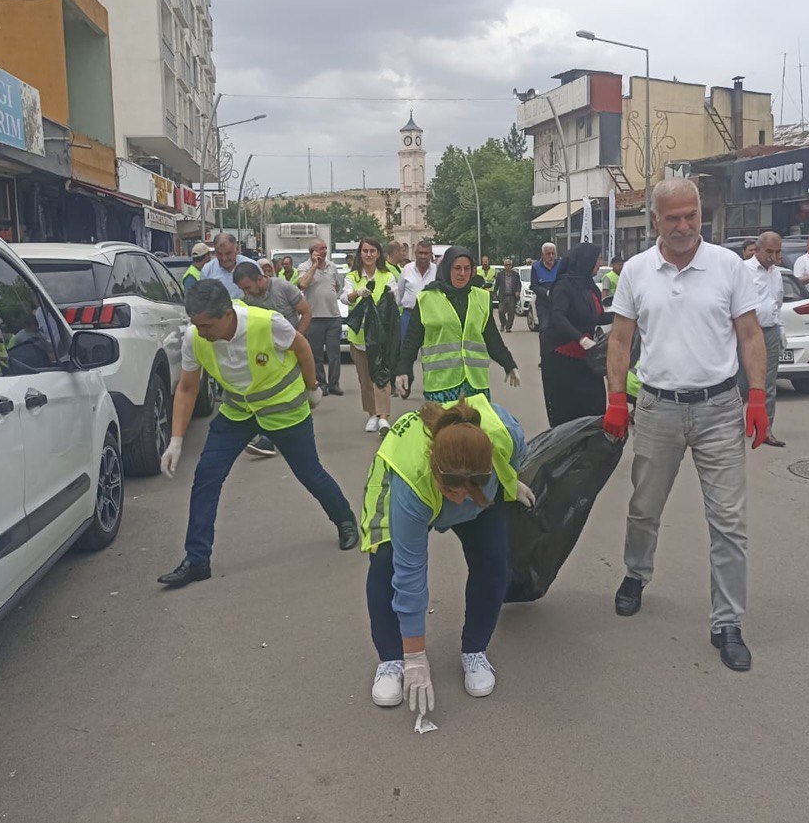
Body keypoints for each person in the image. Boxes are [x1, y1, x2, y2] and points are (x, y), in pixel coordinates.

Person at [604, 177, 769, 672]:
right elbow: (619, 340)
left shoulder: (729, 267)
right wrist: (616, 399)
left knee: (729, 522)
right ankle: (636, 572)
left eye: (690, 216)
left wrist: (757, 395)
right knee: (644, 506)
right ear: (655, 219)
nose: (683, 226)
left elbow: (750, 334)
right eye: (672, 218)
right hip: (657, 407)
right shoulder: (637, 271)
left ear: (702, 213)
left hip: (719, 408)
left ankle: (727, 622)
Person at [156, 282, 358, 588]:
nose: (202, 332)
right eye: (197, 325)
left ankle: (344, 520)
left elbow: (301, 346)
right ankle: (197, 560)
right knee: (206, 478)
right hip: (238, 413)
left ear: (227, 315)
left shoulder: (266, 323)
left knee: (310, 473)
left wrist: (312, 386)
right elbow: (187, 388)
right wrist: (176, 441)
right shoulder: (195, 336)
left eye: (207, 326)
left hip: (284, 410)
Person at [360, 395, 532, 712]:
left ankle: (475, 650)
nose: (458, 501)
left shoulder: (505, 431)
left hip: (476, 487)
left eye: (469, 489)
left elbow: (516, 458)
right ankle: (392, 660)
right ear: (435, 470)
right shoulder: (413, 477)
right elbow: (409, 574)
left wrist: (512, 481)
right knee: (386, 564)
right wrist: (415, 656)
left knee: (493, 561)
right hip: (407, 485)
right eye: (451, 491)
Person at [396, 246, 519, 403]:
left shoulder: (481, 298)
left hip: (475, 385)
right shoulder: (426, 299)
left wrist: (509, 364)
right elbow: (411, 341)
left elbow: (492, 339)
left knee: (475, 428)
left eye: (467, 269)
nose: (462, 273)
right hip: (441, 386)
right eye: (457, 268)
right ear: (447, 269)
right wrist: (403, 369)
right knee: (444, 428)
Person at [235, 259, 314, 458]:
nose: (246, 293)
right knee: (267, 394)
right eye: (242, 289)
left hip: (291, 350)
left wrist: (298, 339)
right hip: (266, 355)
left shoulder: (283, 288)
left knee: (293, 396)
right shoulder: (248, 300)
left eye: (247, 287)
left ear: (261, 278)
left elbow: (305, 313)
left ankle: (285, 437)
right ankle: (268, 438)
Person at [542, 242, 607, 426]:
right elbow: (558, 316)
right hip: (562, 358)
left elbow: (598, 316)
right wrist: (581, 338)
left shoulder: (589, 287)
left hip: (586, 358)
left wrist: (625, 316)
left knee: (595, 406)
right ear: (587, 261)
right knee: (568, 413)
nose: (600, 264)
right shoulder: (564, 285)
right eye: (598, 259)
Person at [345, 237, 398, 435]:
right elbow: (346, 298)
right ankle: (372, 414)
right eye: (365, 251)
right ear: (360, 254)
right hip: (359, 338)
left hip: (381, 336)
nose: (368, 255)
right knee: (365, 379)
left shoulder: (387, 275)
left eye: (372, 251)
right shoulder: (352, 277)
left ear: (378, 254)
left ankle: (383, 417)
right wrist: (358, 293)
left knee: (382, 375)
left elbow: (395, 296)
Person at [739, 231, 786, 447]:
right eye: (769, 251)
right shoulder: (743, 270)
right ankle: (733, 429)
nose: (773, 256)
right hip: (745, 333)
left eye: (777, 252)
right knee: (739, 383)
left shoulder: (776, 273)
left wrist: (781, 330)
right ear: (757, 249)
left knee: (768, 383)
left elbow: (777, 303)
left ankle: (766, 430)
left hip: (770, 332)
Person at [297, 238, 344, 396]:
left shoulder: (332, 266)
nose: (324, 251)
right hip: (314, 318)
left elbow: (338, 286)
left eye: (325, 248)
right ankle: (321, 384)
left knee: (334, 353)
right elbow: (303, 284)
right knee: (316, 354)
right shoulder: (304, 267)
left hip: (333, 316)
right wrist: (315, 266)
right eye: (320, 249)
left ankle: (334, 384)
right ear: (312, 252)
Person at [395, 239, 437, 342]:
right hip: (409, 315)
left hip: (431, 316)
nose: (423, 256)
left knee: (430, 347)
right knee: (405, 349)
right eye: (420, 253)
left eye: (426, 253)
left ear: (431, 254)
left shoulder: (437, 270)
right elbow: (400, 292)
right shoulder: (407, 269)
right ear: (415, 253)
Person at [199, 233, 244, 300]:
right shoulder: (207, 270)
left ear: (237, 249)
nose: (224, 258)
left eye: (228, 253)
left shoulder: (251, 266)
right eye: (219, 254)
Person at [530, 242, 559, 329]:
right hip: (543, 304)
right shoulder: (536, 267)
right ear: (543, 254)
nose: (551, 256)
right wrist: (547, 292)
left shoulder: (561, 265)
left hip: (559, 304)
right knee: (545, 328)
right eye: (548, 254)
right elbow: (534, 285)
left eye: (553, 253)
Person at [493, 258, 522, 333]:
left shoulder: (515, 275)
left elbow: (519, 284)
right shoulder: (500, 275)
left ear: (511, 265)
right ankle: (503, 323)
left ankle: (508, 327)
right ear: (504, 266)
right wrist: (495, 293)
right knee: (501, 311)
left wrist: (518, 291)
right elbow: (496, 285)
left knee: (511, 313)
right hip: (503, 296)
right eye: (506, 265)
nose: (508, 266)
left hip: (512, 296)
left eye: (509, 265)